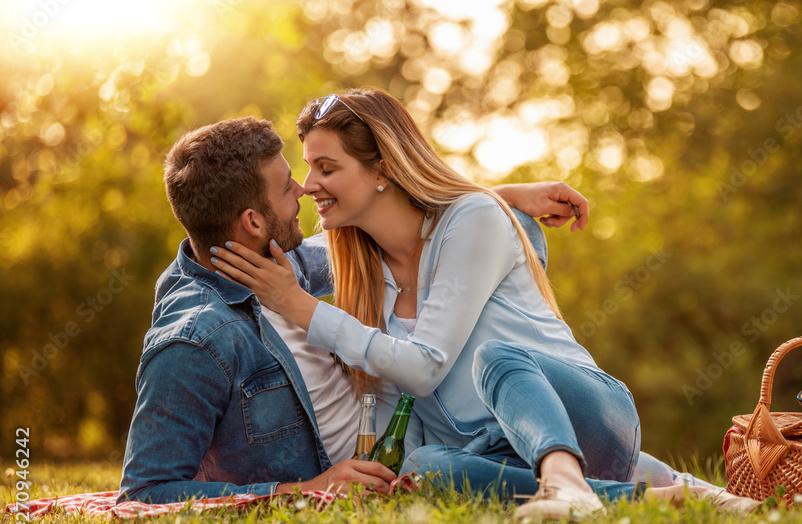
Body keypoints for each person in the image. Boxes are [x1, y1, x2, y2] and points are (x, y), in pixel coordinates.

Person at [210, 89, 759, 519]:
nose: (308, 187)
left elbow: (424, 367)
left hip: (586, 412)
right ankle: (642, 498)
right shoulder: (353, 260)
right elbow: (226, 251)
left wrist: (301, 308)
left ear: (383, 170)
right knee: (423, 469)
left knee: (494, 358)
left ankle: (567, 482)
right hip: (497, 451)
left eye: (326, 168)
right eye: (308, 169)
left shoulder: (471, 219)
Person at [116, 115, 583, 504]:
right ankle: (614, 494)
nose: (302, 191)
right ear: (253, 222)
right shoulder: (195, 342)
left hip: (444, 432)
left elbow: (394, 231)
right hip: (411, 466)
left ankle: (592, 484)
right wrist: (306, 490)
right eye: (286, 187)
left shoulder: (280, 262)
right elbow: (145, 492)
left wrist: (494, 198)